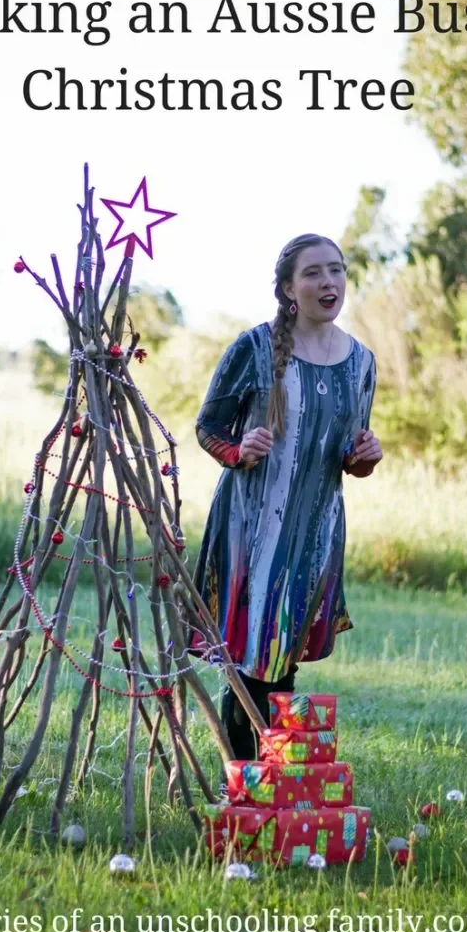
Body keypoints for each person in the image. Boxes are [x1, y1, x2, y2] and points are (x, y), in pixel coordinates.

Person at [192, 233, 382, 759]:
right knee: (255, 652)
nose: (330, 282)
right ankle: (251, 779)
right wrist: (239, 449)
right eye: (314, 273)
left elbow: (350, 459)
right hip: (251, 527)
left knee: (282, 653)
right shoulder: (253, 349)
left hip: (316, 531)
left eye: (337, 270)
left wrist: (365, 453)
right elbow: (208, 427)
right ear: (287, 289)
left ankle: (272, 781)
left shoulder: (362, 363)